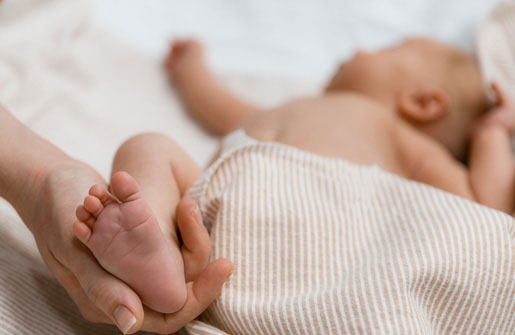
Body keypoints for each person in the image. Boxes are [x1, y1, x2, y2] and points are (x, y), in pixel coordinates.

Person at [71, 37, 515, 333]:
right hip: (208, 230)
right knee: (147, 147)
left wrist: (491, 134)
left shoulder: (406, 142)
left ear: (422, 102)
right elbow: (219, 107)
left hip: (327, 237)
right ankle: (158, 252)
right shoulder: (297, 106)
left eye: (391, 47)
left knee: (148, 148)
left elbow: (482, 211)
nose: (360, 48)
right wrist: (192, 70)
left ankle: (157, 253)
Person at [0, 106, 234, 334]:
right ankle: (162, 241)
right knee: (146, 150)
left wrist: (189, 70)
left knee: (148, 150)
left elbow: (221, 108)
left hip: (232, 213)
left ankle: (161, 235)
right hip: (233, 233)